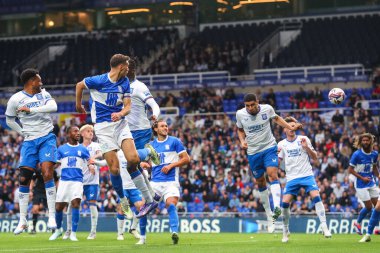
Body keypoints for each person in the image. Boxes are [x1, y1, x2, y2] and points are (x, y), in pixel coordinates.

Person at [75, 54, 158, 218]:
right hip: (103, 129)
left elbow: (128, 106)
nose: (129, 68)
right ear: (120, 67)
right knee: (114, 168)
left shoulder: (125, 82)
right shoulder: (98, 80)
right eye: (127, 66)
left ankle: (149, 200)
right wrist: (78, 104)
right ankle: (124, 201)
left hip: (120, 125)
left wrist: (120, 114)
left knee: (133, 160)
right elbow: (79, 85)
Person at [236, 93, 302, 233]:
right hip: (253, 153)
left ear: (257, 102)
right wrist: (242, 141)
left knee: (273, 175)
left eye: (253, 104)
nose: (250, 107)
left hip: (269, 148)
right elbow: (240, 130)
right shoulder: (240, 114)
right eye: (247, 105)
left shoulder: (267, 109)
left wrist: (290, 128)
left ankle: (277, 207)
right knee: (260, 182)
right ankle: (269, 215)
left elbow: (277, 119)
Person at [6, 68, 58, 234]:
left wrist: (32, 110)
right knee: (24, 178)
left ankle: (52, 216)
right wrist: (22, 132)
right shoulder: (15, 99)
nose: (41, 82)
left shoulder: (44, 94)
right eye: (38, 79)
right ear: (31, 81)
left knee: (47, 172)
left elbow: (54, 107)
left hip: (46, 137)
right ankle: (22, 221)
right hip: (29, 141)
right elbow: (9, 120)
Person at [278, 117, 331, 243]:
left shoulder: (304, 139)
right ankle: (285, 231)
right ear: (285, 129)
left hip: (307, 175)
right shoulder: (281, 144)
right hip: (291, 178)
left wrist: (306, 147)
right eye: (289, 126)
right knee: (285, 204)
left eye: (294, 126)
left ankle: (324, 226)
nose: (292, 128)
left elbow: (315, 157)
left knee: (316, 196)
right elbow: (278, 162)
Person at [144, 120, 190, 244]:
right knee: (143, 207)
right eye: (162, 126)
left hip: (171, 182)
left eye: (166, 126)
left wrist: (171, 165)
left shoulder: (175, 141)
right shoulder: (150, 146)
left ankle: (174, 232)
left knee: (171, 205)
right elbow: (147, 161)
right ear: (155, 129)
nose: (165, 128)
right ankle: (142, 238)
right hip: (154, 183)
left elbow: (186, 159)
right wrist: (144, 164)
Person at [126, 57, 161, 210]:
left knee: (131, 164)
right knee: (136, 167)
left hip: (142, 130)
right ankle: (152, 195)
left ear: (131, 70)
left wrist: (155, 115)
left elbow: (154, 105)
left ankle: (149, 151)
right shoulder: (120, 87)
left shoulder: (139, 86)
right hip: (128, 132)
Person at [62, 124, 108, 240]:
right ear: (82, 134)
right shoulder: (77, 147)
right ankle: (68, 230)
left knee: (92, 204)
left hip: (92, 181)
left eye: (92, 131)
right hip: (78, 180)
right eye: (88, 131)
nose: (91, 133)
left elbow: (101, 154)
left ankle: (93, 231)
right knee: (71, 205)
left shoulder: (95, 145)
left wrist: (93, 159)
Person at [49, 126, 93, 241]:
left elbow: (89, 161)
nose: (78, 133)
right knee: (58, 207)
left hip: (77, 181)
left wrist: (91, 166)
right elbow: (56, 164)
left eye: (78, 131)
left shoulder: (83, 149)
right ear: (69, 134)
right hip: (64, 181)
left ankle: (73, 233)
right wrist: (48, 165)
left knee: (75, 204)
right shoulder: (62, 149)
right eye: (75, 131)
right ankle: (58, 230)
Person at [346, 133, 379, 240]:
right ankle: (357, 223)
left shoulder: (375, 154)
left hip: (372, 183)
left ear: (370, 141)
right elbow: (350, 170)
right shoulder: (357, 154)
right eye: (363, 140)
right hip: (360, 184)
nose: (365, 142)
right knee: (369, 207)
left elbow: (374, 168)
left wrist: (378, 176)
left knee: (378, 207)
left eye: (367, 140)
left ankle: (372, 230)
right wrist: (362, 178)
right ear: (361, 142)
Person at [116, 150, 147, 244]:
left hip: (134, 186)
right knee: (121, 208)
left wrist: (143, 165)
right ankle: (120, 234)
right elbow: (109, 161)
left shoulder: (134, 151)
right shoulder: (119, 153)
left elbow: (139, 164)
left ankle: (133, 228)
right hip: (123, 186)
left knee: (140, 207)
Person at [29, 169, 58, 234]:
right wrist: (30, 190)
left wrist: (56, 190)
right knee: (35, 209)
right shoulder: (38, 171)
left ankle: (53, 228)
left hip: (48, 191)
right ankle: (33, 228)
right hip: (38, 191)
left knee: (51, 209)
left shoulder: (53, 171)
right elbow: (32, 180)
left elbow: (56, 181)